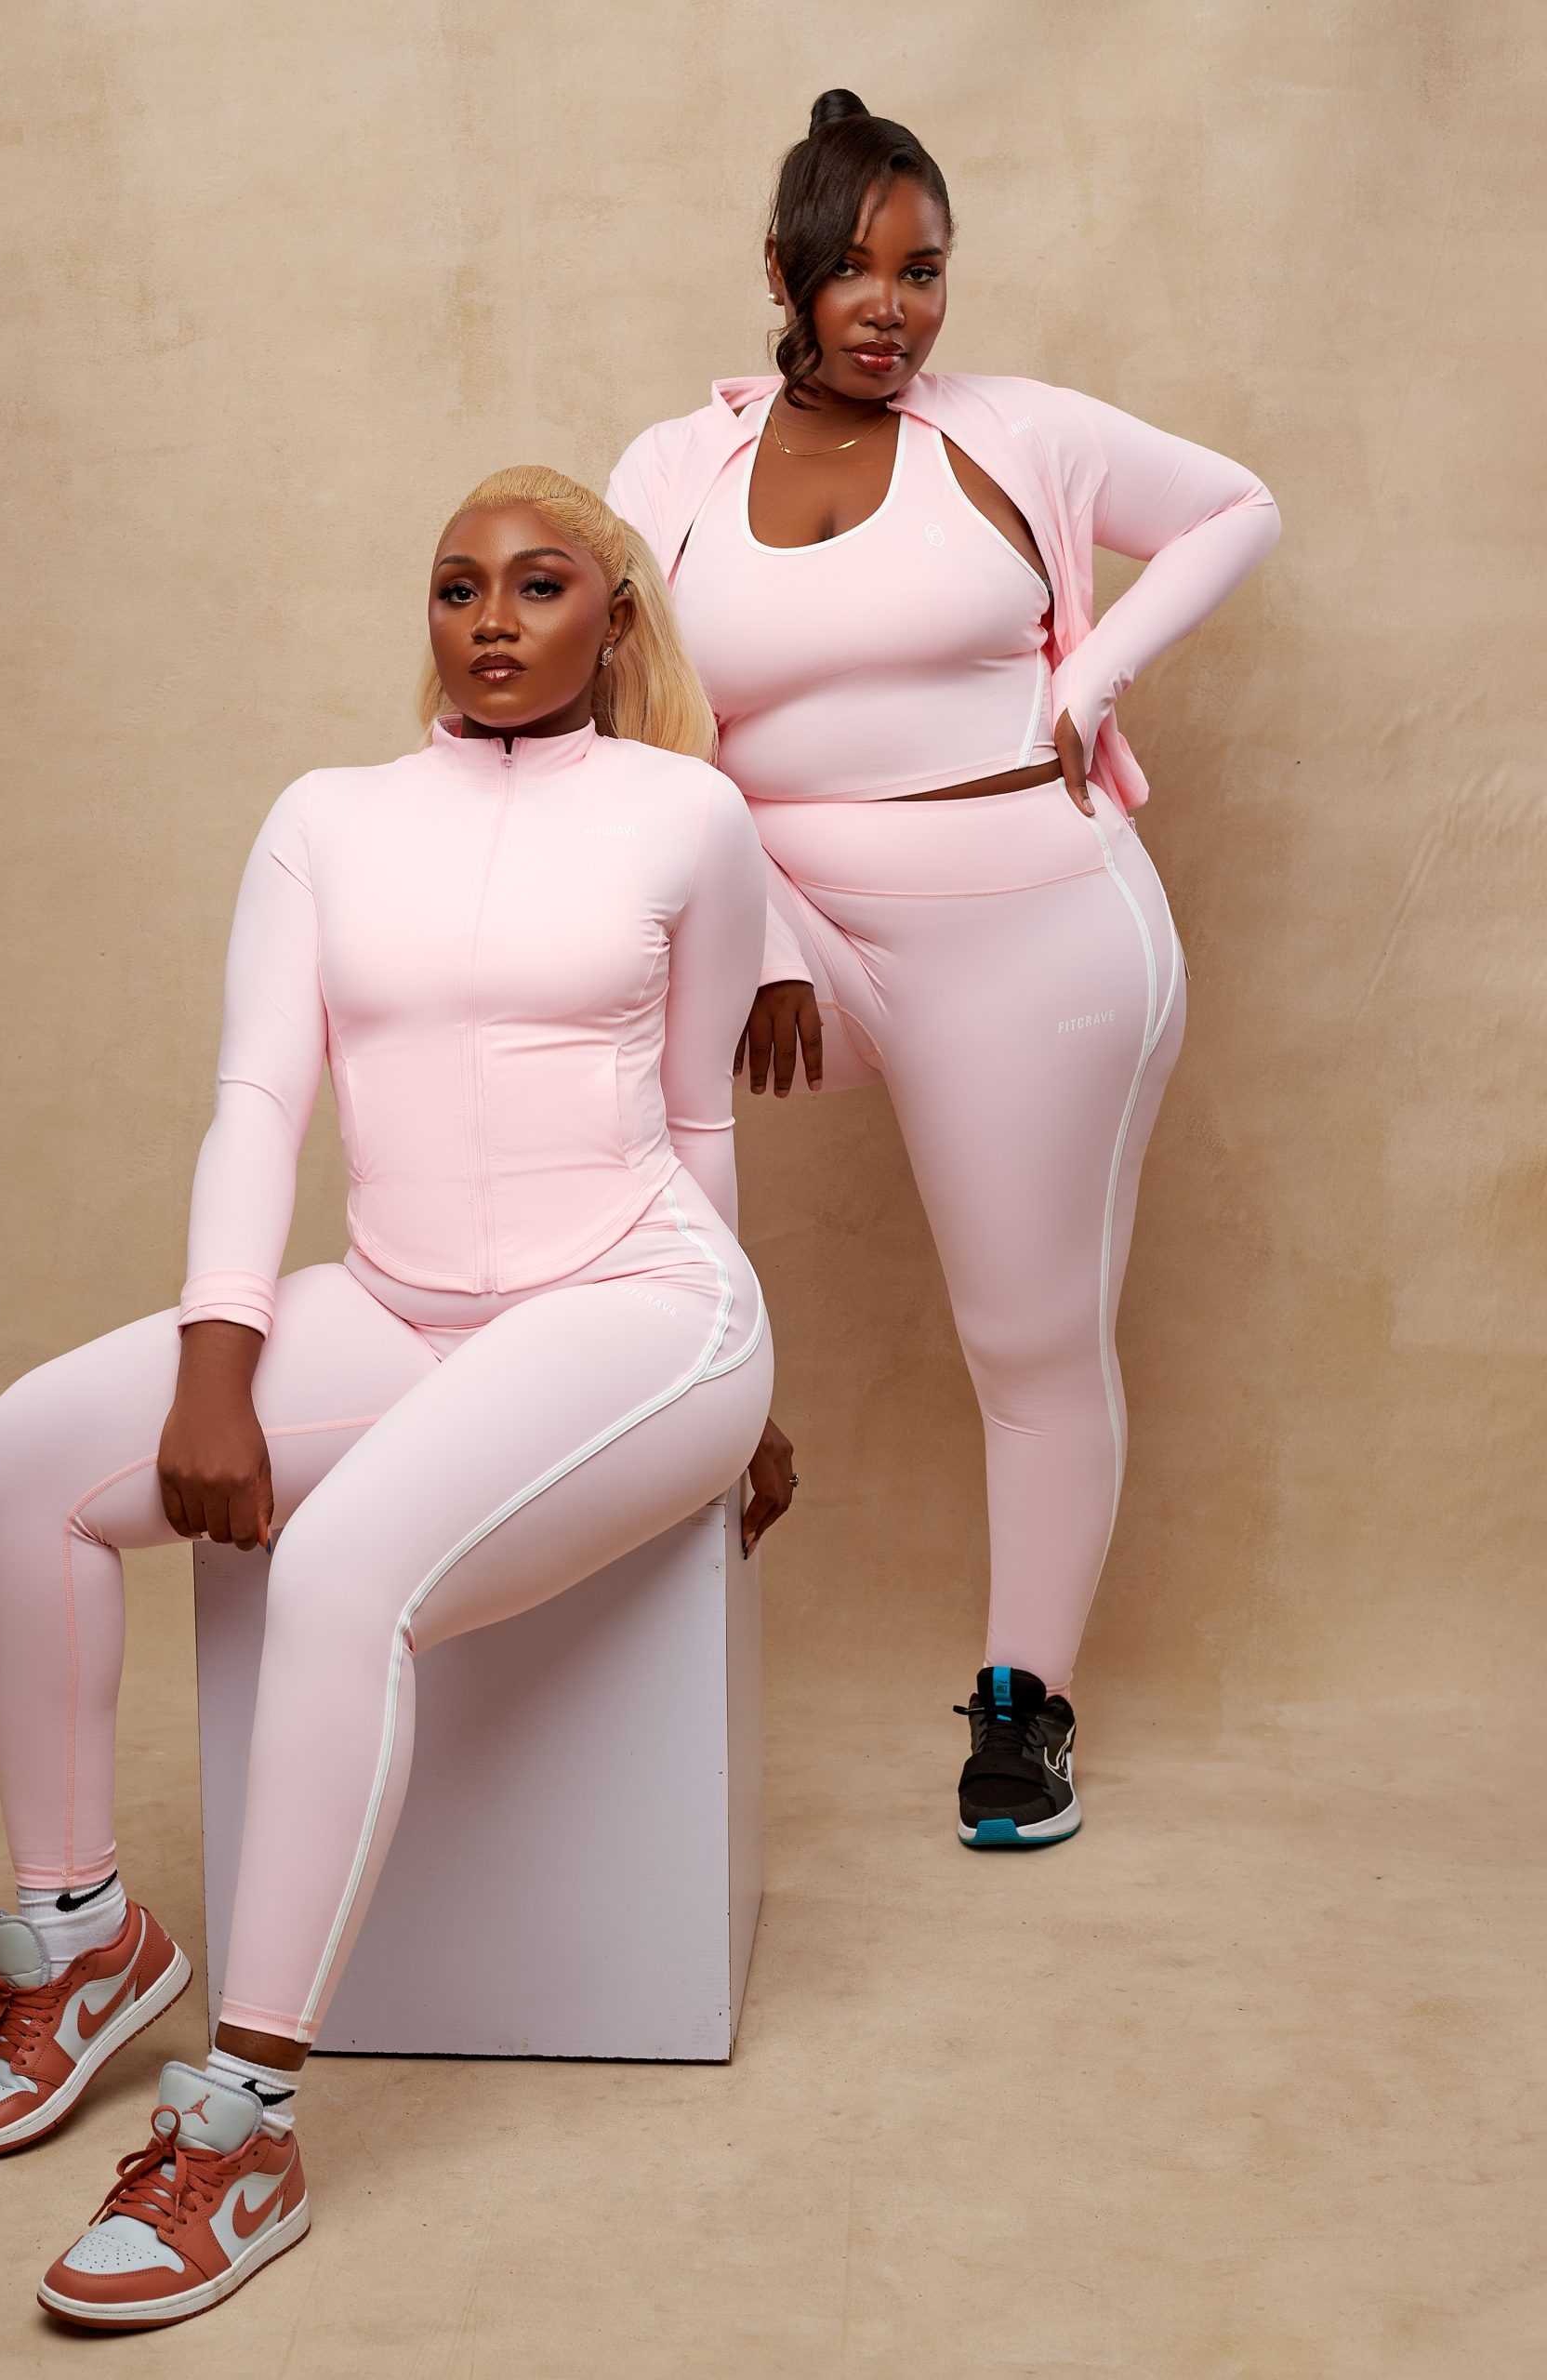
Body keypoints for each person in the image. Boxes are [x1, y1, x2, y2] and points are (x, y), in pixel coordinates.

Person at [0, 467, 787, 2328]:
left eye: (539, 585)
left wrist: (734, 1395)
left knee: (337, 1576)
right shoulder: (327, 819)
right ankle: (82, 1937)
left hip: (640, 1299)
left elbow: (698, 1113)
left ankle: (240, 2129)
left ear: (611, 620)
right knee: (23, 1463)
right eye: (456, 586)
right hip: (401, 1302)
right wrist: (218, 1357)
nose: (492, 619)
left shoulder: (691, 814)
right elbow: (260, 1099)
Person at [606, 89, 1279, 1849]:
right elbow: (640, 722)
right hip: (799, 935)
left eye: (924, 271)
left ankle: (1023, 1705)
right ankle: (605, 1527)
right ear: (782, 274)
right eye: (855, 271)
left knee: (1026, 1334)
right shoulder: (671, 474)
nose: (892, 309)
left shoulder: (1015, 432)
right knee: (586, 997)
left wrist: (1091, 677)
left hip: (1032, 927)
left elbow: (1235, 508)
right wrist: (755, 931)